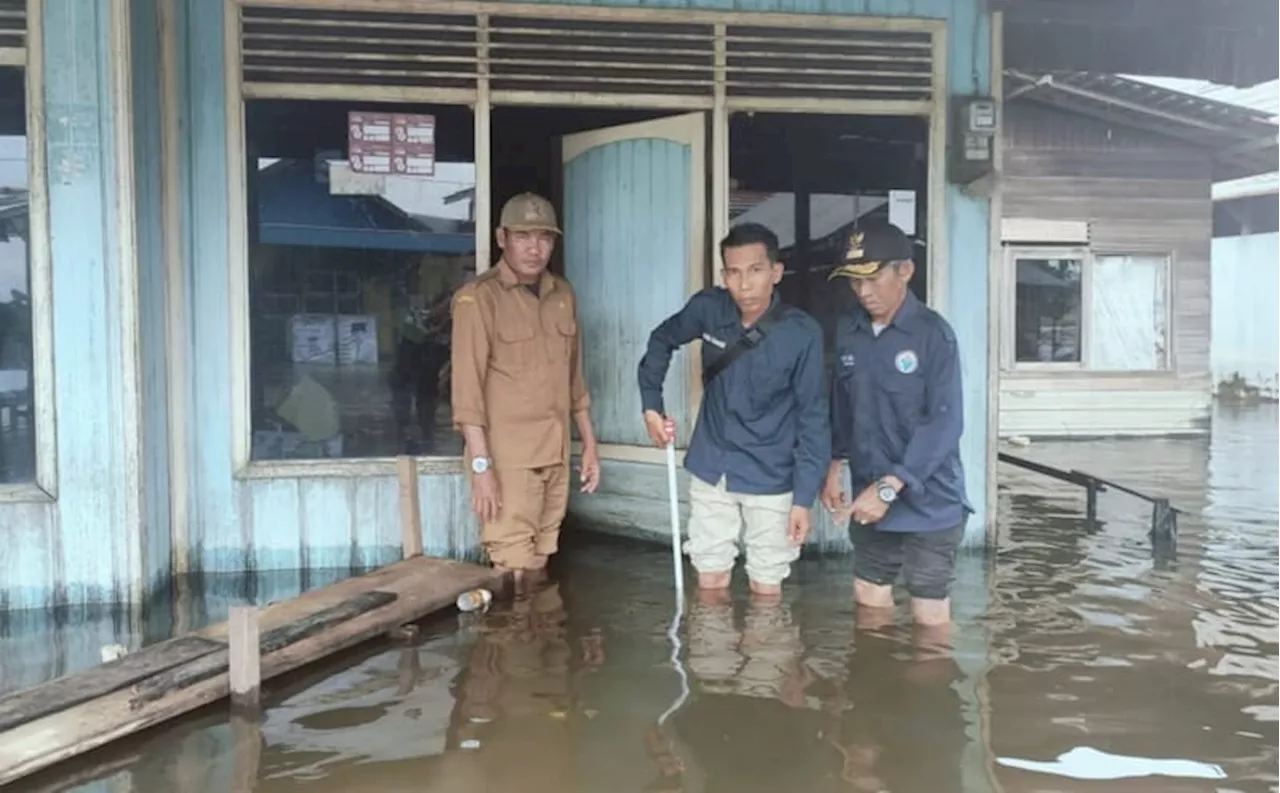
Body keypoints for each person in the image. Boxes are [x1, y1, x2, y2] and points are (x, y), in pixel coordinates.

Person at [638, 223, 829, 597]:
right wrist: (651, 407)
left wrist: (804, 499)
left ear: (775, 272)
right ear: (723, 274)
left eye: (755, 270)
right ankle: (713, 655)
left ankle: (764, 655)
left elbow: (813, 418)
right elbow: (662, 339)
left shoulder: (801, 333)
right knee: (709, 580)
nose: (744, 284)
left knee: (767, 586)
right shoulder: (708, 309)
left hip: (772, 473)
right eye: (733, 272)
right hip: (713, 465)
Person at [821, 223, 971, 627]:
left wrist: (890, 486)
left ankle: (930, 687)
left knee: (929, 613)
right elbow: (842, 403)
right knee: (868, 602)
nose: (863, 291)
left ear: (905, 270)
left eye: (873, 278)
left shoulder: (933, 335)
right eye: (855, 281)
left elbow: (945, 422)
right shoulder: (850, 331)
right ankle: (873, 686)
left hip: (930, 497)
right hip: (870, 492)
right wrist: (833, 464)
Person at [450, 192, 601, 585]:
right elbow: (466, 395)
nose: (535, 248)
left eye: (545, 238)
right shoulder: (478, 299)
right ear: (502, 238)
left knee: (539, 562)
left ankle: (540, 646)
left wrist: (589, 447)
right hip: (507, 460)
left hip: (554, 453)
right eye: (524, 236)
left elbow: (575, 382)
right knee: (511, 570)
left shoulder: (562, 295)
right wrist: (482, 468)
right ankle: (510, 646)